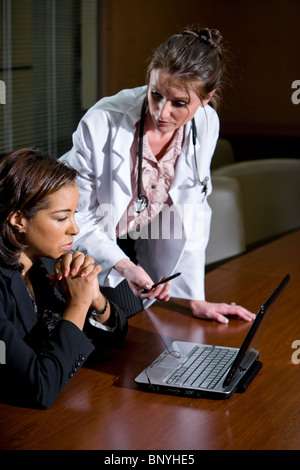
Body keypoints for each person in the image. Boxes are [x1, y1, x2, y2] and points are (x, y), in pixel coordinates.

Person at [61, 26, 255, 324]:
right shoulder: (103, 121)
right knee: (109, 327)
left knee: (140, 323)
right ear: (149, 78)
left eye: (179, 103)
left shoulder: (206, 123)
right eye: (156, 94)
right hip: (66, 239)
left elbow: (194, 207)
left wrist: (195, 298)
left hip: (130, 237)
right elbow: (78, 219)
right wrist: (122, 265)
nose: (162, 112)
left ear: (206, 99)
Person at [0, 148, 128, 409]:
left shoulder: (43, 261)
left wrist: (94, 298)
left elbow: (115, 337)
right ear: (18, 220)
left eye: (74, 214)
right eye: (62, 217)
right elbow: (40, 388)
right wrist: (77, 306)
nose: (75, 229)